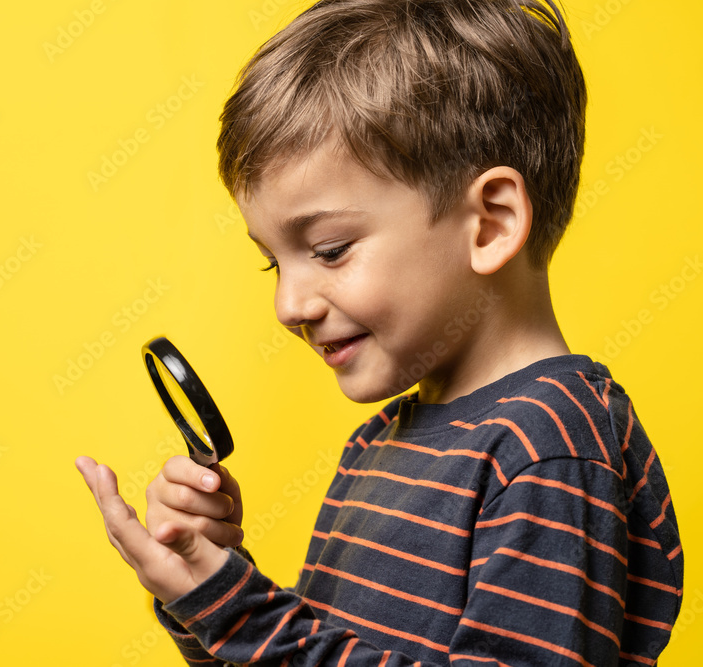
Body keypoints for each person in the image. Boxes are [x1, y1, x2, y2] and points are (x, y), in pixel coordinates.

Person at [75, 0, 684, 664]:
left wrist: (239, 609)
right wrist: (210, 587)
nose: (288, 304)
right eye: (273, 261)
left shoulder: (548, 449)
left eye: (331, 248)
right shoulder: (382, 439)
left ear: (490, 223)